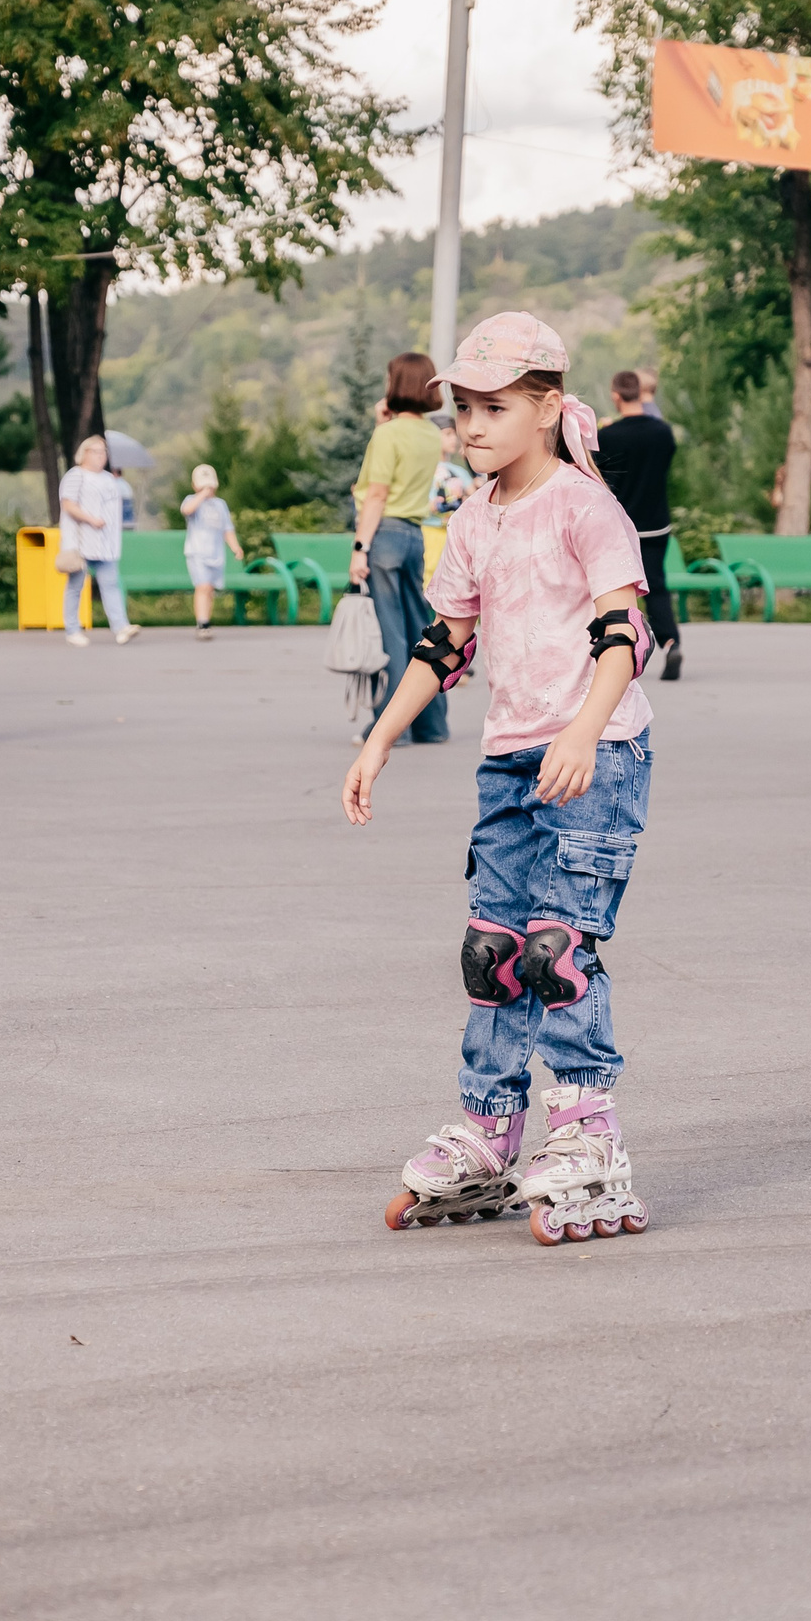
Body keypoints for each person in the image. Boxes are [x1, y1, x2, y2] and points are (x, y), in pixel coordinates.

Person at [342, 310, 656, 1246]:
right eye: (463, 409)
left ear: (546, 406)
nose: (472, 426)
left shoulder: (585, 507)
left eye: (493, 407)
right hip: (511, 762)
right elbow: (444, 644)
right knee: (492, 952)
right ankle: (489, 1130)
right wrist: (380, 737)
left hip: (595, 755)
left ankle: (586, 1137)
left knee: (557, 950)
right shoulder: (473, 517)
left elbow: (624, 637)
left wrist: (584, 733)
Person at [349, 351, 450, 743]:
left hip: (385, 534)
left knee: (388, 633)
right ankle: (431, 723)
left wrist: (360, 547)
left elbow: (376, 495)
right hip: (413, 535)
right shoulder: (429, 433)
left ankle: (391, 727)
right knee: (417, 630)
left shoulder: (388, 435)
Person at [594, 367, 682, 681]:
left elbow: (598, 477)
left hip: (620, 526)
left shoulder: (607, 436)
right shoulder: (662, 433)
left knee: (614, 590)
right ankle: (671, 642)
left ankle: (620, 652)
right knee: (656, 587)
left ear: (616, 396)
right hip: (657, 523)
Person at [58, 434, 134, 646]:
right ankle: (72, 629)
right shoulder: (76, 476)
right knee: (76, 585)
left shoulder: (109, 479)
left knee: (110, 584)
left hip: (106, 544)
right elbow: (68, 505)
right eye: (97, 452)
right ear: (85, 454)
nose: (102, 456)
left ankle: (120, 627)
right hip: (81, 543)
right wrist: (91, 519)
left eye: (104, 452)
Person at [178, 463, 239, 637]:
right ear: (194, 486)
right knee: (202, 586)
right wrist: (201, 495)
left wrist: (235, 547)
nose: (207, 488)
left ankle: (206, 620)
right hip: (197, 552)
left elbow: (227, 529)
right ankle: (202, 623)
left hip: (216, 553)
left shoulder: (220, 505)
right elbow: (186, 510)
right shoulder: (192, 500)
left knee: (210, 589)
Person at [429, 422, 474, 515]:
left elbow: (475, 502)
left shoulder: (460, 471)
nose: (454, 438)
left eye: (455, 434)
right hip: (427, 527)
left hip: (454, 527)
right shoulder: (423, 468)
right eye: (448, 434)